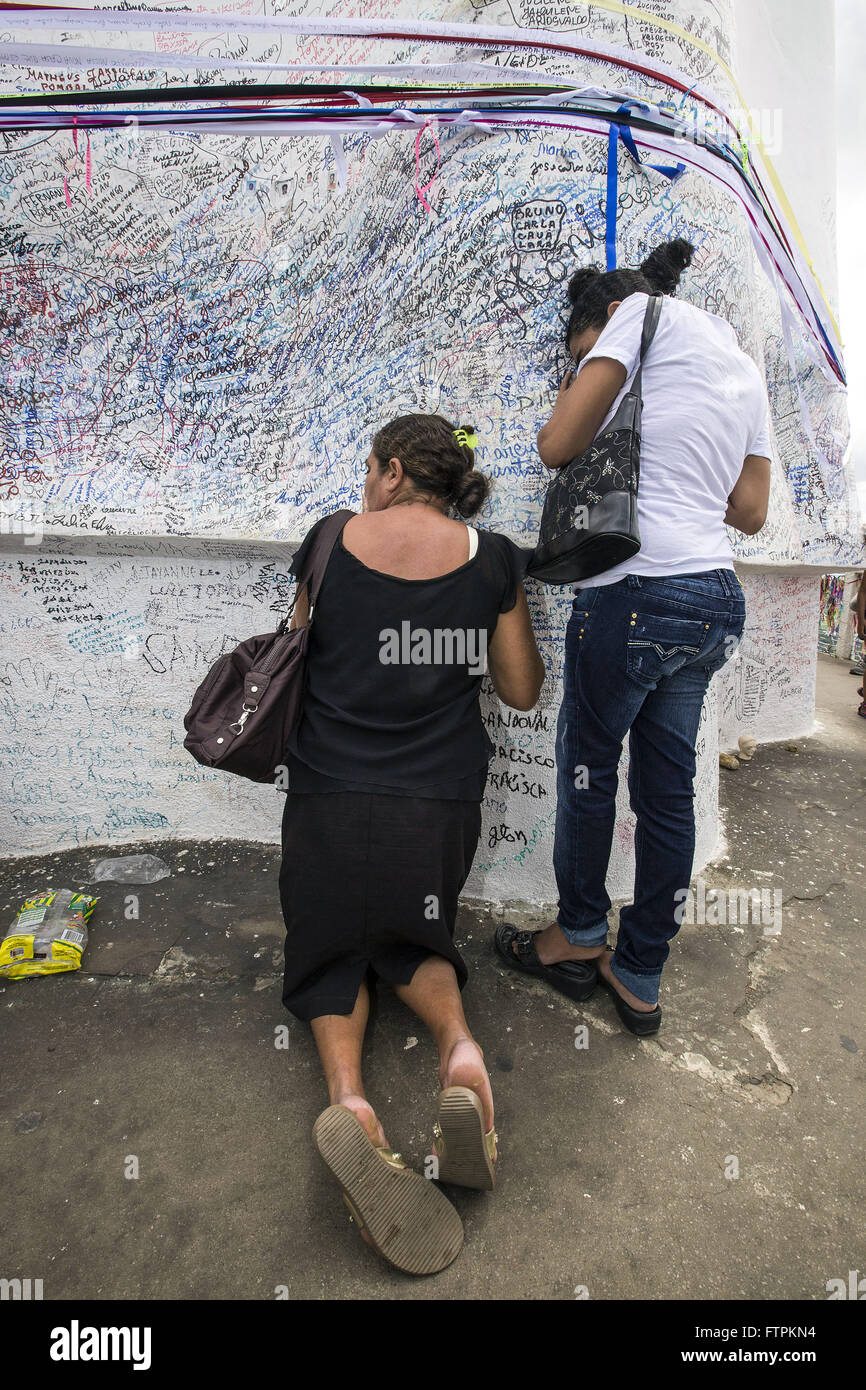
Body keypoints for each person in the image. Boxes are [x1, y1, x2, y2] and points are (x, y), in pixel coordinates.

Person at [280, 413, 544, 1274]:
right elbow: (520, 689)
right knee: (415, 938)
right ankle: (460, 1054)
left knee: (331, 954)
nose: (366, 485)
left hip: (327, 793)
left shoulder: (328, 540)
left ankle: (351, 1103)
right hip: (435, 802)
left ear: (394, 471)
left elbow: (294, 653)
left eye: (370, 469)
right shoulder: (494, 556)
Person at [496, 237, 772, 1036]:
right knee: (667, 796)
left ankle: (577, 939)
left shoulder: (635, 315)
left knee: (587, 775)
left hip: (635, 594)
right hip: (713, 599)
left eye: (584, 352)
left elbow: (557, 445)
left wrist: (582, 387)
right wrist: (686, 465)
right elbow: (750, 511)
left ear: (605, 318)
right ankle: (641, 971)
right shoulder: (741, 366)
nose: (587, 365)